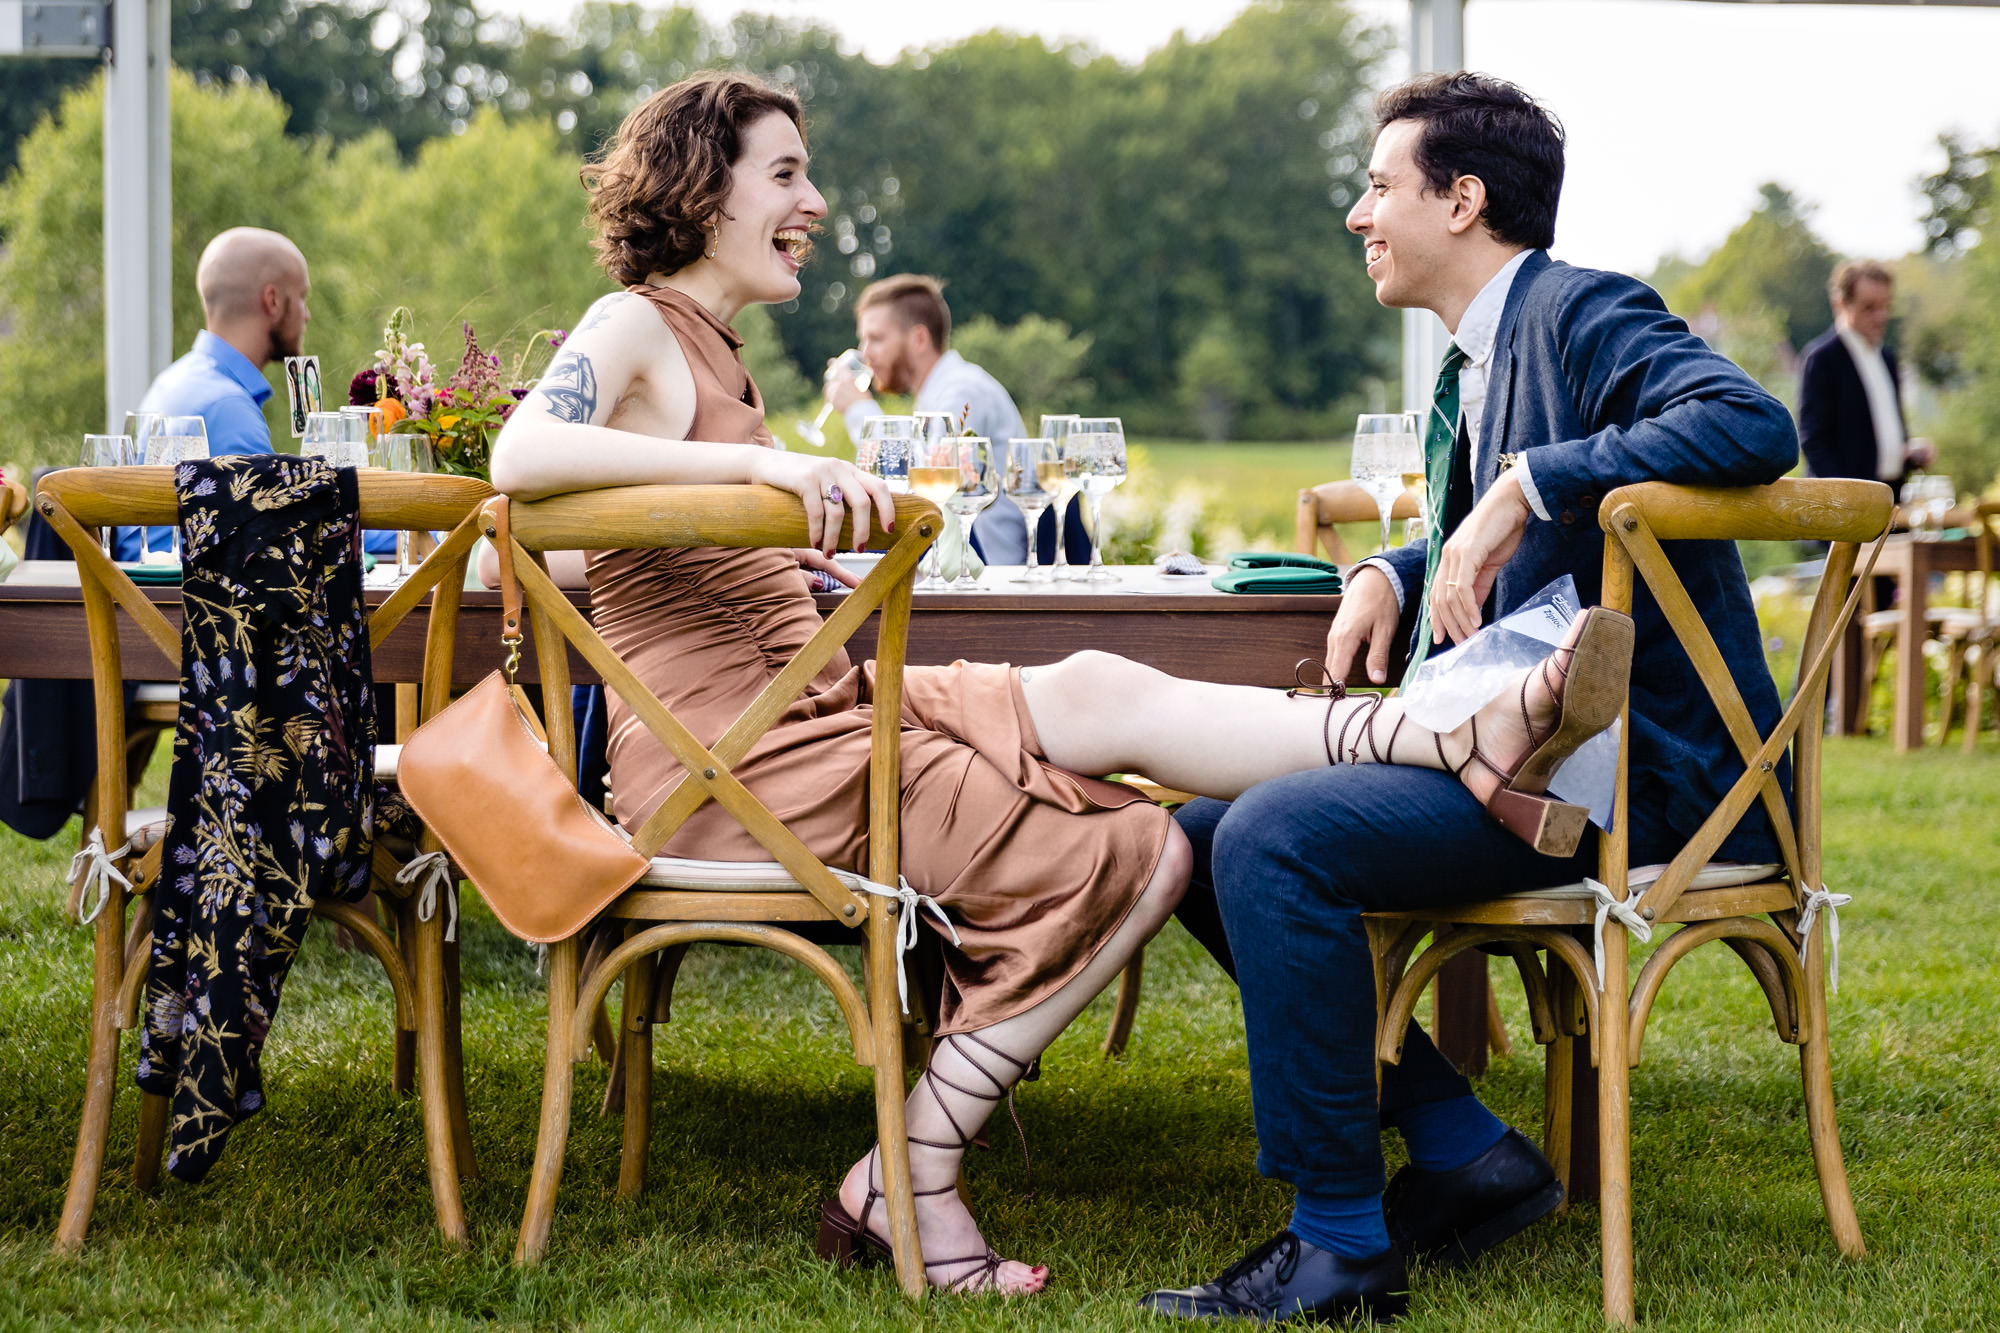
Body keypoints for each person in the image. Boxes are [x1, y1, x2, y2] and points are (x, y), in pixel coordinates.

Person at [489, 72, 1632, 1298]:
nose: (813, 200)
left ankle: (1435, 736)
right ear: (699, 190)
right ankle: (907, 1171)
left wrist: (761, 534)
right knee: (1143, 851)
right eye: (784, 175)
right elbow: (520, 457)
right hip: (739, 764)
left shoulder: (710, 349)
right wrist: (766, 488)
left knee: (1093, 685)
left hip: (797, 711)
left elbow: (606, 544)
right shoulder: (632, 324)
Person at [1137, 73, 1800, 1325]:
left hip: (1638, 782)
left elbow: (1748, 422)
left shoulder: (1580, 309)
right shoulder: (1474, 360)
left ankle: (1336, 1248)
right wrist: (1390, 568)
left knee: (1275, 833)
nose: (1356, 215)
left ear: (1462, 198)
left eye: (1378, 186)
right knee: (1202, 830)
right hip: (1532, 761)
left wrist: (1526, 482)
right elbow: (1491, 556)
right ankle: (1458, 1150)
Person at [113, 229, 395, 562]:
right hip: (182, 605)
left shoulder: (173, 382)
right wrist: (431, 525)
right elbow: (299, 533)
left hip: (149, 599)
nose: (306, 314)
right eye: (301, 297)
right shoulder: (227, 407)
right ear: (273, 301)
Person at [1796, 259, 1933, 733]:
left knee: (1878, 608)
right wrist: (1848, 505)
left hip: (1890, 508)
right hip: (1848, 511)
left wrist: (1909, 452)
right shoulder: (1823, 357)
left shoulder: (1887, 358)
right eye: (1870, 306)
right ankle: (1829, 713)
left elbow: (1884, 433)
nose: (1879, 316)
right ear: (1843, 303)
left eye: (1885, 307)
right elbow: (1812, 438)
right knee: (1842, 616)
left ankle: (1853, 714)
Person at [822, 274, 1034, 564]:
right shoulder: (941, 390)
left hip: (983, 563)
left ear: (919, 338)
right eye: (863, 340)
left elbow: (925, 482)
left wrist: (861, 412)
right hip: (951, 556)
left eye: (876, 339)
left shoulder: (962, 391)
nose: (865, 354)